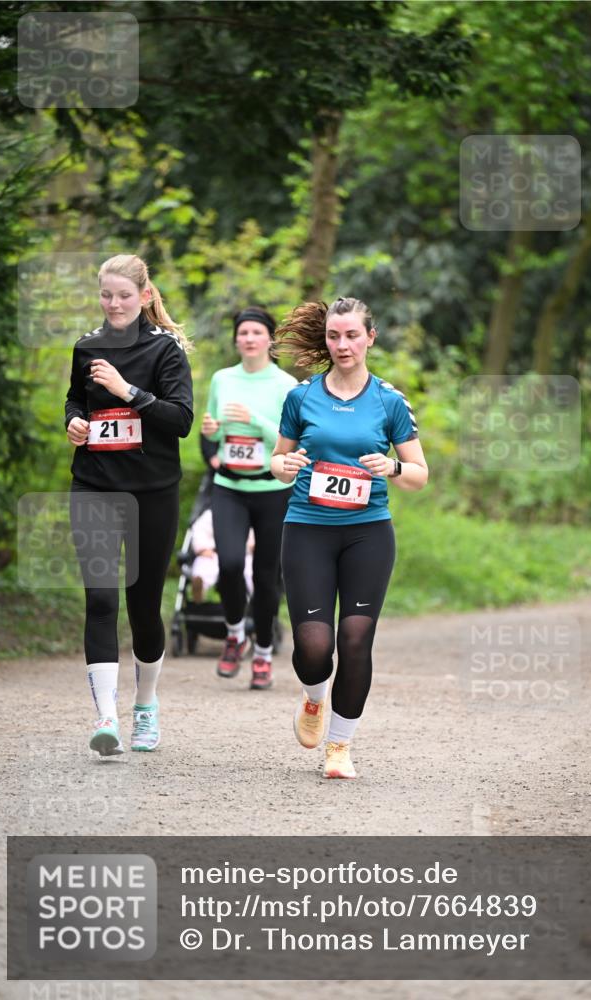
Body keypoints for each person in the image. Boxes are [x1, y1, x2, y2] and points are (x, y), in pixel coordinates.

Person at [271, 297, 428, 779]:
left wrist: (394, 466)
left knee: (357, 640)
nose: (343, 345)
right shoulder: (301, 397)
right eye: (335, 336)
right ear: (326, 339)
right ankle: (314, 698)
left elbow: (419, 474)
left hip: (367, 533)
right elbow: (278, 463)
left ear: (370, 338)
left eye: (352, 336)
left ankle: (339, 746)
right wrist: (286, 465)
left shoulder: (389, 400)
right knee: (315, 647)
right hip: (308, 529)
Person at [65, 254, 193, 756]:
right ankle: (106, 718)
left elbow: (180, 419)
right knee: (100, 599)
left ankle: (145, 705)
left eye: (123, 295)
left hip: (152, 493)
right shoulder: (86, 347)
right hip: (95, 485)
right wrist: (75, 422)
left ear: (143, 296)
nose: (113, 304)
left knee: (143, 608)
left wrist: (127, 391)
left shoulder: (166, 351)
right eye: (105, 295)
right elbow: (77, 400)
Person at [201, 307, 297, 689]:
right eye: (243, 332)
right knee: (228, 565)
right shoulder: (222, 378)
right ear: (236, 339)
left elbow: (293, 442)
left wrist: (255, 420)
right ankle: (234, 633)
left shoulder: (287, 385)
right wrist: (211, 437)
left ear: (270, 340)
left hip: (273, 490)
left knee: (266, 576)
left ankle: (262, 653)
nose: (249, 338)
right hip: (229, 488)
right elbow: (209, 430)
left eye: (257, 332)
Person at [190, 509, 254, 603]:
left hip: (243, 555)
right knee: (203, 566)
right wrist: (202, 549)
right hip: (213, 553)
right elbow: (198, 531)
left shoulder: (247, 515)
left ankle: (256, 597)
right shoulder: (210, 515)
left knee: (250, 571)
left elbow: (253, 537)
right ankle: (200, 587)